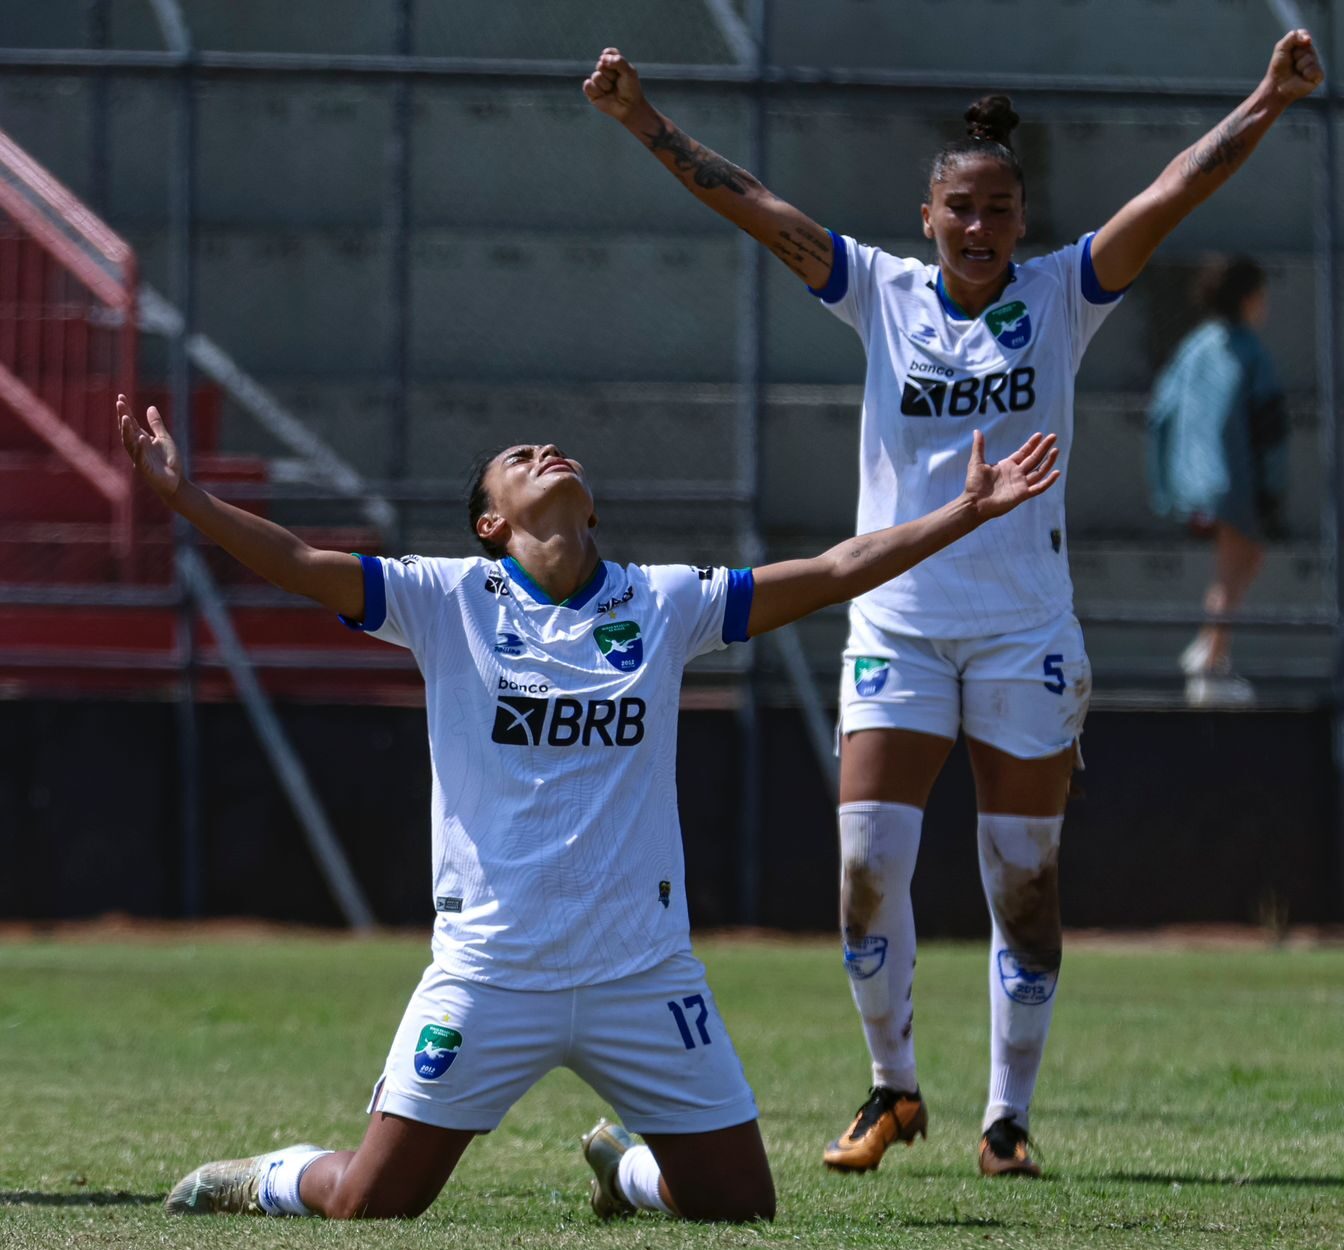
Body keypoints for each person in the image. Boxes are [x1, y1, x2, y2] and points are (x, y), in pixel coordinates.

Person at [585, 30, 1322, 1177]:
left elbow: (1178, 187)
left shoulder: (1064, 291)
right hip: (896, 624)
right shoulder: (877, 291)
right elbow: (754, 206)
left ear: (1020, 219)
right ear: (925, 216)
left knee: (1022, 880)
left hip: (1027, 628)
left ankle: (1007, 1116)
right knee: (866, 868)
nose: (979, 228)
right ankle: (892, 1089)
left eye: (998, 210)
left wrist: (1268, 99)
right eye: (959, 210)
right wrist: (644, 124)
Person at [115, 394, 1058, 1222]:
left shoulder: (661, 602)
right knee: (372, 1202)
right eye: (517, 461)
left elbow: (835, 568)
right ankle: (273, 1175)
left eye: (552, 452)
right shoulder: (444, 598)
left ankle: (626, 1166)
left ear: (594, 508)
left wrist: (966, 512)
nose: (544, 454)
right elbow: (299, 559)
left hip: (639, 974)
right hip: (492, 971)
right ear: (489, 523)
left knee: (741, 1205)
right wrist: (185, 499)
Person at [1147, 255, 1286, 706]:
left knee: (1247, 556)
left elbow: (1160, 411)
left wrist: (1171, 477)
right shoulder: (1249, 350)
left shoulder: (1195, 346)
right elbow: (1269, 426)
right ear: (1248, 299)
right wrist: (1272, 487)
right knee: (1231, 570)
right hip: (1233, 479)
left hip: (1196, 477)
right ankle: (1210, 666)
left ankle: (1207, 647)